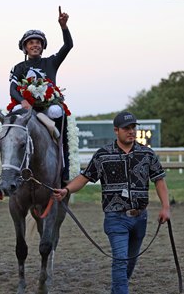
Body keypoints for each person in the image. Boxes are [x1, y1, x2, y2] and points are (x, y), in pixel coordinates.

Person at [53, 111, 170, 294]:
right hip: (116, 218)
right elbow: (85, 177)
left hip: (141, 218)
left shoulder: (147, 154)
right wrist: (66, 190)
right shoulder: (102, 155)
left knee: (130, 261)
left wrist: (165, 208)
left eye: (133, 127)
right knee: (120, 260)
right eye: (126, 128)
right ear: (116, 130)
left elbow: (159, 181)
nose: (131, 131)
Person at [7, 6, 73, 182]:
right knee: (8, 121)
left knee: (57, 112)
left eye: (38, 42)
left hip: (47, 110)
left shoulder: (51, 62)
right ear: (25, 48)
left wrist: (64, 27)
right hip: (26, 109)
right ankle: (4, 170)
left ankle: (64, 168)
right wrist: (23, 101)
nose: (35, 44)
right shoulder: (18, 68)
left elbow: (68, 46)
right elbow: (12, 89)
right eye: (31, 42)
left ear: (42, 47)